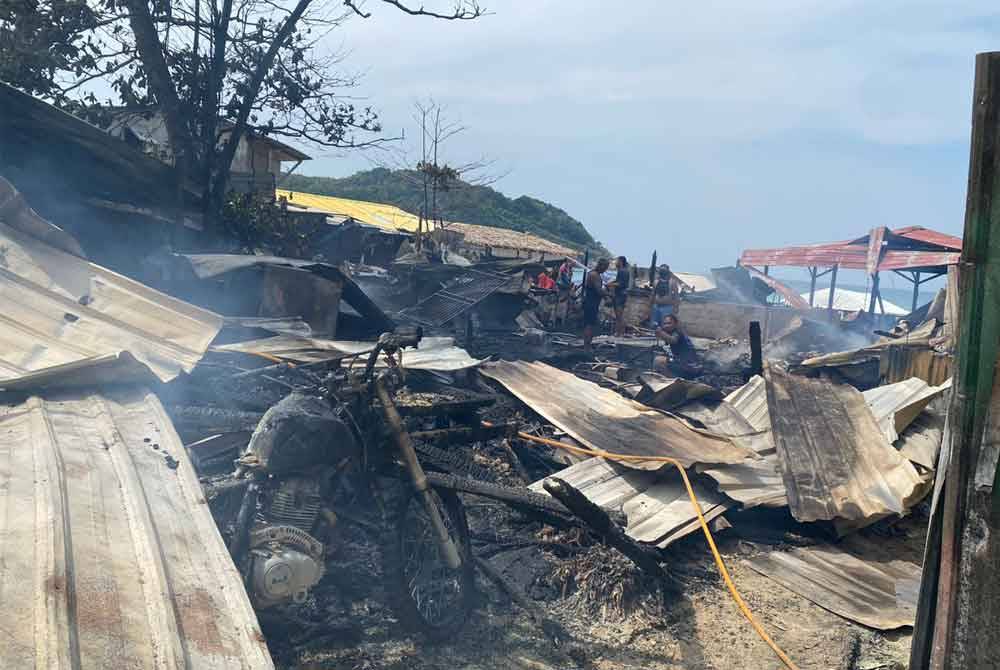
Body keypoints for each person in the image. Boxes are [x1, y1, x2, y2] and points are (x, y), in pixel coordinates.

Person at [582, 258, 610, 354]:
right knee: (589, 325)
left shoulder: (595, 274)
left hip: (592, 302)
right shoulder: (594, 275)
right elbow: (598, 290)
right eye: (605, 268)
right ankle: (587, 347)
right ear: (601, 265)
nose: (605, 270)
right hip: (591, 303)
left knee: (590, 325)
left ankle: (587, 346)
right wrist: (609, 294)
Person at [605, 256, 631, 337]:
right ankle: (618, 332)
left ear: (621, 262)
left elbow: (621, 284)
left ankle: (621, 333)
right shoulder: (622, 271)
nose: (615, 263)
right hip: (619, 295)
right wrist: (611, 282)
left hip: (620, 295)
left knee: (619, 315)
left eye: (617, 261)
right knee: (618, 315)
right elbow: (618, 281)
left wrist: (610, 284)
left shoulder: (623, 271)